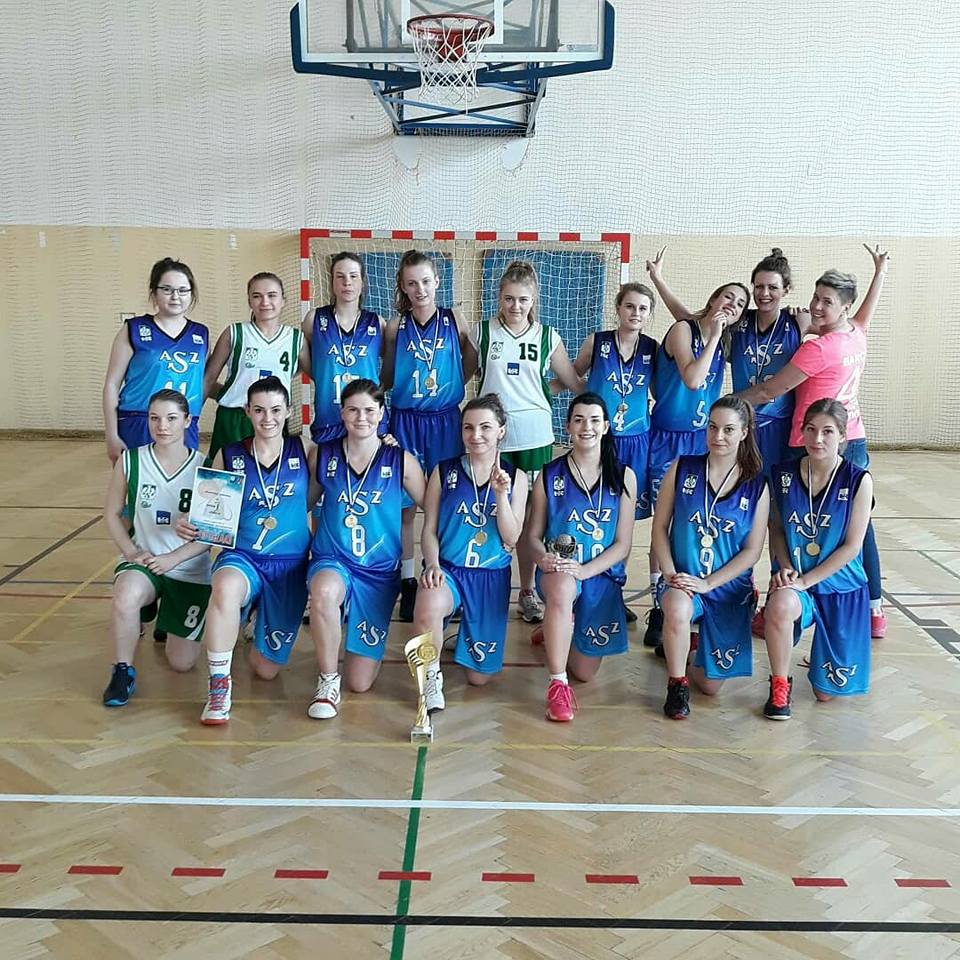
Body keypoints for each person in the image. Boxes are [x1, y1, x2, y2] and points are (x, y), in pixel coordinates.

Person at [738, 244, 889, 638]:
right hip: (852, 439)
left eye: (827, 302)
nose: (817, 306)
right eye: (816, 298)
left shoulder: (818, 349)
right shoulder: (856, 333)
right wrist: (880, 273)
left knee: (791, 525)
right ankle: (874, 609)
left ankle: (784, 603)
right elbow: (865, 313)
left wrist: (731, 406)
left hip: (810, 442)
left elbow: (770, 390)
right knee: (859, 526)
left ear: (843, 307)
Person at [178, 377, 313, 725]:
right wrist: (190, 521)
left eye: (276, 410)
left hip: (289, 564)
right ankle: (219, 685)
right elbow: (209, 518)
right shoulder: (229, 454)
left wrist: (384, 441)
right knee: (224, 587)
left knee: (265, 670)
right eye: (259, 410)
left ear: (288, 412)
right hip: (244, 556)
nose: (268, 418)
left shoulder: (307, 450)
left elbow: (351, 459)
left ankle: (253, 613)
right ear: (247, 412)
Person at [643, 247, 749, 649]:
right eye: (728, 297)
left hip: (703, 438)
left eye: (740, 304)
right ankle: (659, 601)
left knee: (694, 521)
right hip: (666, 438)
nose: (733, 305)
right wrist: (716, 333)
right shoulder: (686, 331)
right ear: (714, 298)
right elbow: (692, 379)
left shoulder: (713, 334)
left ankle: (694, 599)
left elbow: (685, 312)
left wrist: (659, 279)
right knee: (665, 521)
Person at [306, 378, 427, 719]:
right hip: (333, 559)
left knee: (359, 683)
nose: (362, 418)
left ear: (382, 413)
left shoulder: (401, 460)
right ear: (342, 413)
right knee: (324, 592)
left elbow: (434, 510)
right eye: (353, 410)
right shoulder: (322, 455)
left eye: (369, 411)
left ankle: (353, 644)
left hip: (378, 572)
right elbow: (300, 505)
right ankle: (327, 680)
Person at [475, 260, 584, 624]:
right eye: (509, 298)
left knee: (529, 518)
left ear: (533, 299)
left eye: (523, 299)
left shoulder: (547, 336)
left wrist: (540, 391)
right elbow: (461, 378)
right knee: (489, 512)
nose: (516, 306)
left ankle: (526, 591)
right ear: (499, 297)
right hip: (492, 438)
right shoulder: (483, 332)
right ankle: (480, 587)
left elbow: (571, 381)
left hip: (535, 437)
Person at [650, 395, 769, 720]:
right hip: (683, 579)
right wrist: (671, 574)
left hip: (726, 587)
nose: (718, 436)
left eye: (728, 429)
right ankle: (677, 685)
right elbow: (659, 527)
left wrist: (709, 583)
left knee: (711, 686)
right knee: (677, 606)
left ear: (744, 432)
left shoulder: (756, 486)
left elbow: (752, 551)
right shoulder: (683, 468)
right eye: (713, 427)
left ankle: (680, 649)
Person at [526, 393, 637, 722]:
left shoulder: (624, 476)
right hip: (560, 572)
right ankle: (557, 685)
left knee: (585, 672)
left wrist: (585, 571)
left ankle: (556, 626)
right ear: (568, 426)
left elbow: (623, 545)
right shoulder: (549, 474)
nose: (586, 427)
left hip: (599, 574)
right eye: (578, 420)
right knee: (562, 589)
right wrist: (543, 558)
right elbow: (532, 536)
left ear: (606, 426)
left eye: (594, 420)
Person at [413, 394, 528, 705]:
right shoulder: (443, 471)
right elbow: (429, 529)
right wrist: (432, 564)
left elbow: (512, 537)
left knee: (479, 678)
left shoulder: (517, 478)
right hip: (449, 570)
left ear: (501, 430)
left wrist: (501, 495)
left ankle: (458, 633)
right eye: (468, 427)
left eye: (485, 427)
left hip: (490, 576)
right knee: (428, 602)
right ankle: (431, 678)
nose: (476, 435)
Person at [381, 250, 477, 622]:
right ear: (403, 287)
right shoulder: (396, 326)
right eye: (411, 283)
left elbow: (470, 359)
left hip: (445, 421)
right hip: (406, 420)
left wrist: (453, 384)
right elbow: (388, 375)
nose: (419, 289)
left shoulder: (455, 319)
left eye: (425, 281)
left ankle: (444, 575)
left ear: (437, 281)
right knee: (406, 508)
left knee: (450, 502)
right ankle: (407, 581)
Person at [763, 399, 873, 718]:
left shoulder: (858, 480)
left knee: (825, 693)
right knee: (781, 603)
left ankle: (821, 656)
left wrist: (806, 580)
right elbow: (777, 529)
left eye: (827, 432)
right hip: (797, 581)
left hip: (842, 588)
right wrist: (786, 567)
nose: (817, 439)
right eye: (810, 430)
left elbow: (852, 547)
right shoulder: (783, 474)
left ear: (843, 435)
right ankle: (779, 686)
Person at [101, 390, 212, 706]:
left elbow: (212, 535)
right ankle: (122, 671)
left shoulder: (205, 468)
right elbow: (111, 514)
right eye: (155, 418)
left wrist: (173, 558)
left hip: (187, 569)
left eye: (171, 418)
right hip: (145, 561)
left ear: (187, 421)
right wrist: (131, 552)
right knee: (125, 594)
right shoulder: (131, 460)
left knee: (182, 663)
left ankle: (165, 618)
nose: (162, 426)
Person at [574, 282, 658, 625]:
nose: (635, 313)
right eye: (630, 306)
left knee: (625, 520)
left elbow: (659, 391)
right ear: (618, 308)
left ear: (649, 314)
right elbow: (573, 376)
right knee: (594, 512)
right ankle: (585, 590)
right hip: (600, 439)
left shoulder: (653, 348)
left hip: (637, 441)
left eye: (642, 308)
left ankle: (613, 593)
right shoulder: (597, 342)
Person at [103, 257, 207, 462]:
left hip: (184, 422)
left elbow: (204, 380)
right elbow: (112, 384)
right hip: (139, 420)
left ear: (191, 293)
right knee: (137, 480)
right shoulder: (134, 329)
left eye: (183, 290)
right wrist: (111, 434)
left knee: (182, 481)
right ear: (154, 292)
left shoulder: (201, 333)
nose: (175, 296)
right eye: (167, 289)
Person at [204, 272, 307, 463]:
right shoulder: (235, 333)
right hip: (234, 417)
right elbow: (208, 379)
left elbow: (316, 374)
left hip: (273, 417)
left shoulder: (296, 339)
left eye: (272, 295)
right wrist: (192, 417)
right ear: (249, 301)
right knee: (222, 474)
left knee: (269, 473)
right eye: (257, 296)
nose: (265, 302)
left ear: (283, 300)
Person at [304, 252, 384, 444]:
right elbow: (310, 364)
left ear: (362, 282)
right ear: (332, 282)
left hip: (367, 422)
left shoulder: (378, 323)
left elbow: (388, 369)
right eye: (340, 276)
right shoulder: (314, 319)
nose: (347, 282)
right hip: (328, 420)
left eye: (353, 276)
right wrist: (324, 377)